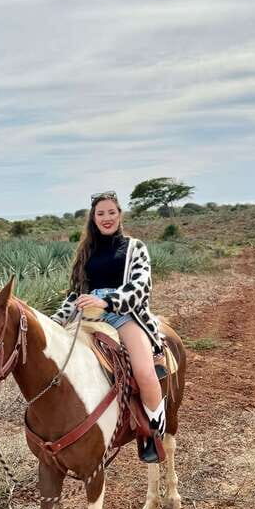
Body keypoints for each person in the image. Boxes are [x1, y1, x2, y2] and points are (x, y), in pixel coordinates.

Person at [50, 191, 166, 462]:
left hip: (125, 316)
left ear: (120, 215)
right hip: (88, 319)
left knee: (145, 372)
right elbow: (76, 294)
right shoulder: (87, 252)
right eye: (100, 213)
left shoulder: (134, 247)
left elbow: (141, 289)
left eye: (111, 212)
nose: (106, 218)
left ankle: (153, 432)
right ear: (93, 218)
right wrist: (55, 323)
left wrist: (106, 302)